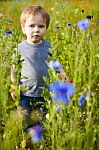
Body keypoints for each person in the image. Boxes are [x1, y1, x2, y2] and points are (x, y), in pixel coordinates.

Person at [10, 5, 67, 137]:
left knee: (41, 119)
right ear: (23, 28)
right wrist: (14, 86)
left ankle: (40, 138)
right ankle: (27, 139)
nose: (36, 30)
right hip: (25, 93)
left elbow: (55, 62)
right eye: (31, 26)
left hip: (44, 93)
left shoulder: (48, 46)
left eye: (41, 26)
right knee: (26, 119)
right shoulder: (20, 48)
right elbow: (13, 69)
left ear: (46, 28)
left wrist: (62, 72)